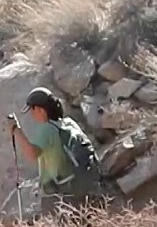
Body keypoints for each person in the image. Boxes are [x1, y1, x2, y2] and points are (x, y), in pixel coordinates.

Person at [6, 86, 102, 217]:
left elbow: (32, 154)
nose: (32, 114)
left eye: (32, 110)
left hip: (58, 194)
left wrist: (16, 130)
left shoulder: (47, 130)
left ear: (40, 110)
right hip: (76, 187)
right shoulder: (68, 123)